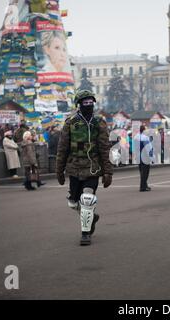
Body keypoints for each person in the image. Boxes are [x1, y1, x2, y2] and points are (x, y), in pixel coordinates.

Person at [56, 90, 113, 246]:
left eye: (91, 102)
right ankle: (91, 217)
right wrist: (59, 170)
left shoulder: (99, 122)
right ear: (78, 104)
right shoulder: (70, 123)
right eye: (85, 102)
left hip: (92, 167)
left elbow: (104, 148)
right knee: (74, 203)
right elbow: (62, 148)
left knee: (87, 199)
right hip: (74, 167)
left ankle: (85, 234)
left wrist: (108, 172)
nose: (88, 105)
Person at [134, 125, 154, 192]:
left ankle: (145, 185)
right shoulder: (145, 138)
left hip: (138, 156)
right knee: (145, 173)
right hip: (145, 156)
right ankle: (143, 187)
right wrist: (152, 158)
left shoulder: (136, 137)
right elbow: (148, 148)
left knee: (141, 172)